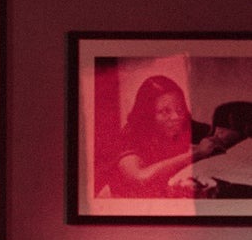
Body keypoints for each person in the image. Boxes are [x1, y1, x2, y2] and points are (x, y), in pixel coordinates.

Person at [100, 73, 243, 198]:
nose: (176, 117)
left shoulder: (182, 122)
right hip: (120, 205)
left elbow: (222, 135)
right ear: (148, 115)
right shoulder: (130, 135)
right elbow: (140, 178)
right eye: (165, 111)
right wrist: (197, 153)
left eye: (180, 109)